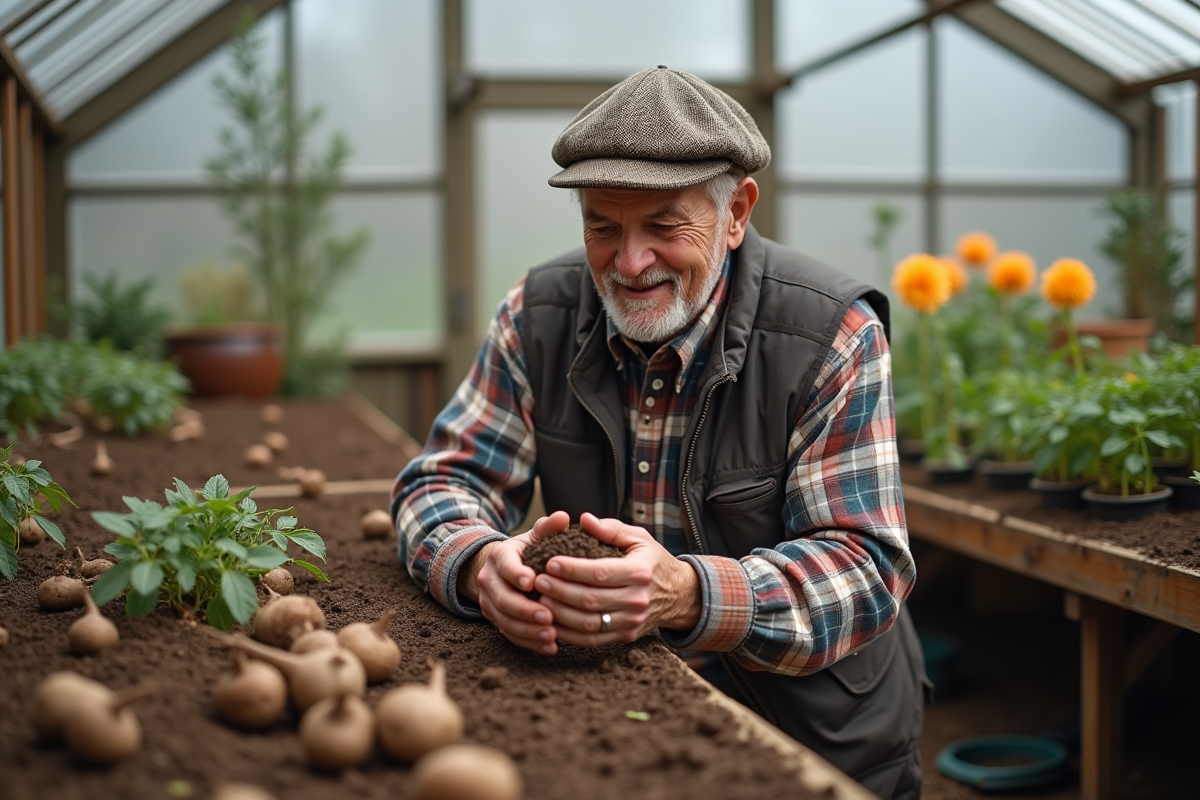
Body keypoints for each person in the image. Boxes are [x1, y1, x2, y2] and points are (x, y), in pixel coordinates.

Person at [393, 66, 927, 798]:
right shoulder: (539, 315)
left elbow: (865, 569)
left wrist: (685, 592)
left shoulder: (831, 336)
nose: (631, 262)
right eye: (602, 227)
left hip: (814, 737)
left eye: (664, 226)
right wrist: (480, 563)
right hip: (621, 725)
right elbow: (443, 479)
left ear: (737, 211)